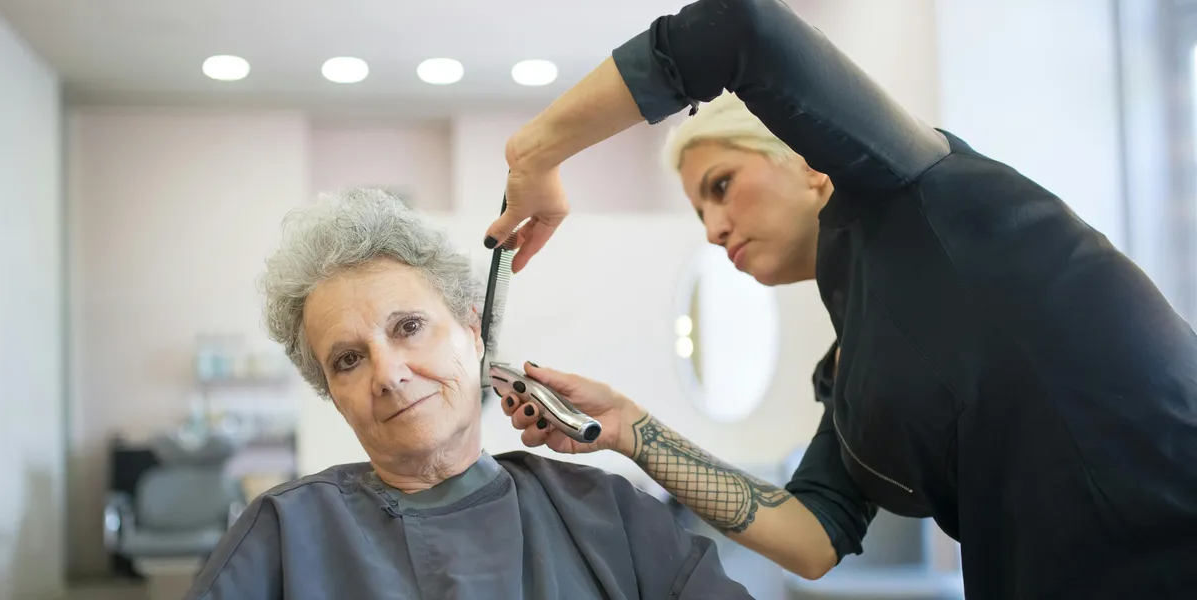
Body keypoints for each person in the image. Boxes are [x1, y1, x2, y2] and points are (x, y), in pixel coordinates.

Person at [485, 0, 1197, 598]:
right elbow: (813, 535)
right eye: (700, 213)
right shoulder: (850, 372)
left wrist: (536, 154)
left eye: (722, 185)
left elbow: (737, 31)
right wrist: (629, 428)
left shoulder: (927, 193)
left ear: (811, 163)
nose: (713, 229)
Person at [182, 187, 752, 600]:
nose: (388, 373)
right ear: (332, 392)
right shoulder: (286, 534)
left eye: (408, 327)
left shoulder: (606, 515)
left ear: (473, 331)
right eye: (349, 359)